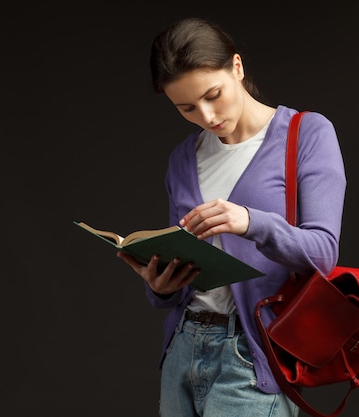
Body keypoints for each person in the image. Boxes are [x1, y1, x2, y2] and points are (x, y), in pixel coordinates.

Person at [117, 17, 346, 417]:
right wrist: (162, 286)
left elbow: (324, 253)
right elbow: (185, 266)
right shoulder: (183, 159)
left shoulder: (306, 134)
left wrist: (249, 221)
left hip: (250, 355)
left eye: (213, 95)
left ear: (237, 68)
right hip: (182, 349)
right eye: (186, 107)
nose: (205, 116)